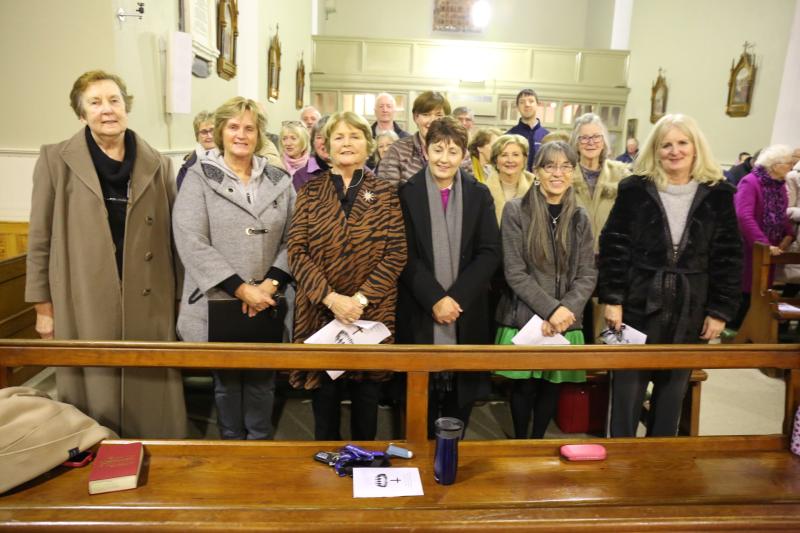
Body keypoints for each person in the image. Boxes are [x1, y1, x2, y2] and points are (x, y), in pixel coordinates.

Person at [25, 70, 186, 438]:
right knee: (93, 383)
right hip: (82, 296)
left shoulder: (158, 163)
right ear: (81, 113)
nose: (107, 109)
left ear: (126, 106)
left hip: (150, 295)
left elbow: (173, 238)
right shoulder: (55, 160)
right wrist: (43, 309)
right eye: (95, 103)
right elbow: (39, 239)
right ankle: (93, 448)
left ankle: (157, 454)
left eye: (114, 100)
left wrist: (179, 301)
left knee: (150, 386)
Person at [598, 114, 742, 438]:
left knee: (671, 398)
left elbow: (729, 256)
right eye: (666, 145)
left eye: (682, 143)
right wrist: (613, 299)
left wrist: (720, 311)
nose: (674, 151)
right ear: (655, 150)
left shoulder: (718, 193)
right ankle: (620, 460)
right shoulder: (634, 189)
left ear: (695, 147)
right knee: (626, 394)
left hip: (689, 309)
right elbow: (614, 245)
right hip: (637, 304)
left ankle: (658, 462)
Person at [173, 96, 295, 440]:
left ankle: (259, 445)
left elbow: (295, 238)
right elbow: (191, 239)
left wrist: (269, 284)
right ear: (220, 132)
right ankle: (231, 445)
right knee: (225, 383)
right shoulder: (198, 177)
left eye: (249, 128)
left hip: (269, 299)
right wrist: (241, 289)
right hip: (219, 299)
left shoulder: (279, 179)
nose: (241, 134)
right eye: (233, 127)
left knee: (262, 381)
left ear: (259, 134)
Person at [288, 111, 407, 441]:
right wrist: (331, 299)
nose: (346, 143)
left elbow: (396, 253)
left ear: (368, 144)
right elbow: (296, 251)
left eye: (354, 136)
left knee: (367, 405)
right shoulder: (310, 192)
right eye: (338, 137)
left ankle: (363, 464)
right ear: (326, 147)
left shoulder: (385, 192)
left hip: (369, 314)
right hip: (321, 313)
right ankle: (325, 466)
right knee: (324, 404)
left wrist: (359, 300)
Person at [397, 116, 501, 437]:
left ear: (463, 155)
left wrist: (454, 299)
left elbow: (489, 252)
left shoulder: (479, 194)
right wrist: (435, 299)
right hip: (420, 309)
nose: (444, 158)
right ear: (425, 151)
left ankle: (450, 456)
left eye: (453, 151)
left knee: (459, 406)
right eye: (438, 149)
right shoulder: (406, 193)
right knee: (419, 406)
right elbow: (403, 255)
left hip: (465, 311)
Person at [495, 141, 597, 438]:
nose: (557, 173)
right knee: (524, 387)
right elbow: (515, 272)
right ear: (536, 171)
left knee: (553, 386)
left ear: (573, 172)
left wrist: (565, 311)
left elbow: (587, 273)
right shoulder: (516, 211)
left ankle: (537, 442)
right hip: (525, 316)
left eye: (565, 166)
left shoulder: (580, 215)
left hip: (566, 318)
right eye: (550, 166)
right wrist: (551, 310)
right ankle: (520, 442)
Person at [732, 144, 797, 327]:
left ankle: (753, 330)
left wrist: (788, 234)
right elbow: (743, 216)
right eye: (788, 163)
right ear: (775, 165)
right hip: (750, 248)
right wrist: (763, 244)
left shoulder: (779, 186)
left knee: (761, 292)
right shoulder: (750, 182)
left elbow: (781, 213)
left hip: (771, 250)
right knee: (746, 292)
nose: (791, 167)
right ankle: (737, 332)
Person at [570, 113, 631, 253]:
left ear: (604, 142)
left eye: (596, 137)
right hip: (573, 257)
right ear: (576, 143)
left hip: (611, 257)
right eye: (584, 138)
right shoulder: (565, 175)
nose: (591, 142)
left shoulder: (621, 175)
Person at [379, 91, 451, 187]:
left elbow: (467, 189)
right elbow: (385, 191)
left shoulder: (458, 151)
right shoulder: (397, 150)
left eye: (439, 115)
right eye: (426, 114)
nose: (432, 121)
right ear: (415, 117)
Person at [484, 134, 535, 224]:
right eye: (504, 155)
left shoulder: (536, 187)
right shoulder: (482, 190)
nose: (510, 160)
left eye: (515, 155)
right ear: (496, 160)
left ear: (524, 159)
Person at [506, 88, 549, 172]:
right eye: (522, 102)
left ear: (537, 105)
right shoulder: (509, 136)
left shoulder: (547, 137)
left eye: (531, 101)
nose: (527, 105)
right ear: (517, 107)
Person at [177, 110, 215, 190]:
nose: (209, 135)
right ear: (197, 136)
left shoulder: (231, 159)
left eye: (212, 130)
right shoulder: (187, 167)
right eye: (204, 132)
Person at [291, 115, 331, 191]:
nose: (324, 141)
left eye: (329, 136)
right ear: (313, 142)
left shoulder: (350, 171)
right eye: (319, 137)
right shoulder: (300, 176)